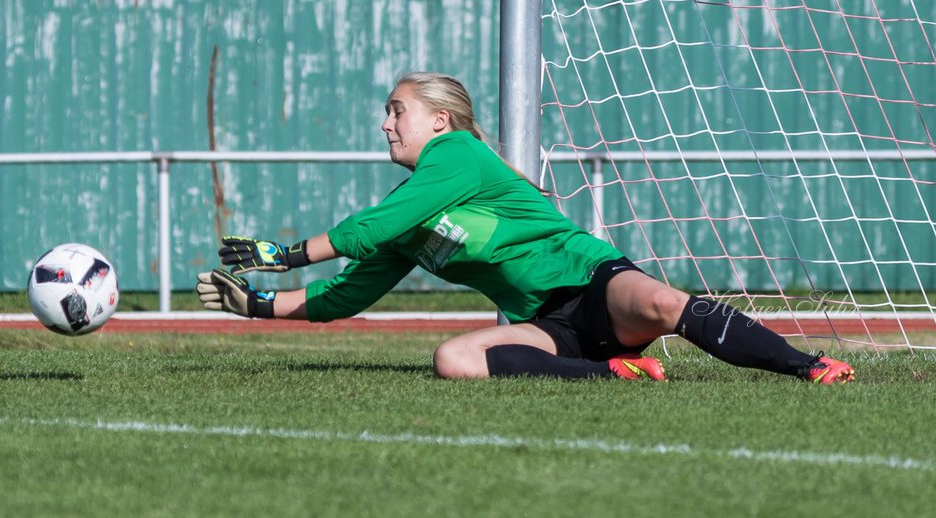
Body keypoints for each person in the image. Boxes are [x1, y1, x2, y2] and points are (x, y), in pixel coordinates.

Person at [196, 71, 854, 384]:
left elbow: (374, 224)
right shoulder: (409, 210)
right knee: (452, 360)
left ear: (439, 122)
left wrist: (284, 253)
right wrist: (256, 303)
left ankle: (808, 366)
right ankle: (615, 374)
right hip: (547, 321)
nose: (385, 124)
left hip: (589, 280)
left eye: (397, 111)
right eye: (386, 113)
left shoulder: (459, 157)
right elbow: (349, 294)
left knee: (661, 302)